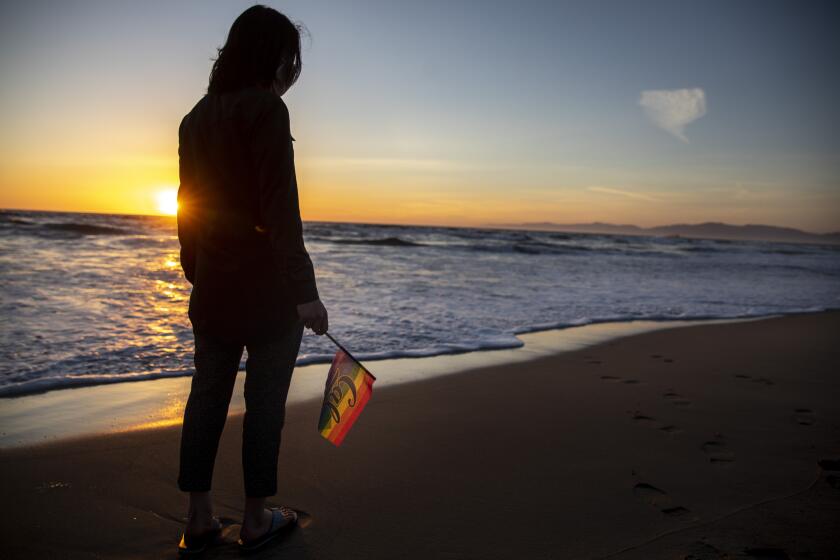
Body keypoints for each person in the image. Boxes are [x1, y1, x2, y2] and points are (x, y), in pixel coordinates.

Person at [175, 5, 328, 555]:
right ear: (273, 57)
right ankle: (258, 519)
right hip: (267, 296)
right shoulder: (267, 111)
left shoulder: (194, 118)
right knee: (264, 405)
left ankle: (198, 518)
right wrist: (305, 294)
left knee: (206, 399)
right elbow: (280, 212)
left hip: (214, 289)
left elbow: (187, 209)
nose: (293, 70)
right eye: (290, 58)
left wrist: (199, 273)